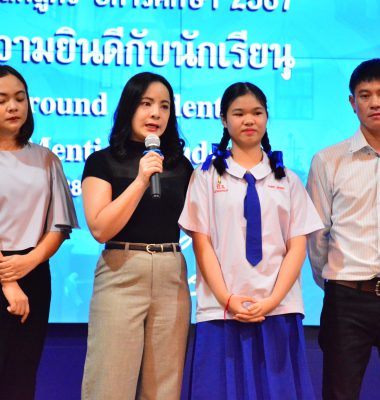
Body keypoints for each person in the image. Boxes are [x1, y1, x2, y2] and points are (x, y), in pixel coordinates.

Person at [178, 82, 323, 400]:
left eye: (257, 113)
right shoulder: (205, 177)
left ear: (267, 117)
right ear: (223, 119)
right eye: (238, 113)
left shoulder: (288, 179)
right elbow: (202, 244)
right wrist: (227, 298)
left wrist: (272, 301)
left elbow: (297, 247)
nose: (248, 120)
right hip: (220, 311)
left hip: (278, 310)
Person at [81, 72, 193, 400]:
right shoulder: (102, 162)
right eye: (146, 103)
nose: (156, 113)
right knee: (110, 383)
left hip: (172, 274)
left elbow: (196, 225)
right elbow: (100, 228)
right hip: (121, 271)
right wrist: (141, 180)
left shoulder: (180, 165)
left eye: (164, 106)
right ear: (129, 107)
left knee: (164, 387)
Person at [307, 58, 380, 400]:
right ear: (352, 102)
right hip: (346, 299)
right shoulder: (328, 160)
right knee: (339, 393)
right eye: (365, 95)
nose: (375, 102)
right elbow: (317, 237)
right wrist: (338, 282)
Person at [0, 65, 78, 400]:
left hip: (34, 272)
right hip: (5, 270)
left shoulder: (46, 159)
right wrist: (8, 280)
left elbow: (59, 226)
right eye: (2, 100)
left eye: (20, 98)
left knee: (22, 374)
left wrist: (29, 261)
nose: (13, 106)